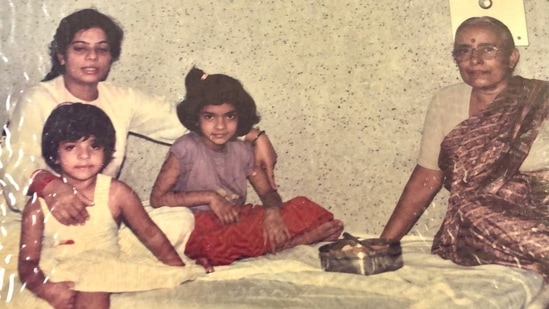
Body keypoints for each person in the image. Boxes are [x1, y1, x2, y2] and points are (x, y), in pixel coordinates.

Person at [0, 8, 277, 255]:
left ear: (111, 57)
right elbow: (15, 168)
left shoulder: (121, 98)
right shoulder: (37, 98)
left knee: (180, 220)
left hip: (98, 218)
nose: (92, 57)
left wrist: (253, 135)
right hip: (40, 215)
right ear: (62, 55)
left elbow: (190, 120)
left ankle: (110, 252)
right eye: (80, 48)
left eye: (102, 49)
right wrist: (51, 188)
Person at [380, 16, 549, 280]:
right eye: (464, 51)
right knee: (470, 205)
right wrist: (385, 242)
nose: (475, 60)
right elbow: (427, 175)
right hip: (477, 227)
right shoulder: (446, 101)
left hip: (540, 219)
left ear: (512, 57)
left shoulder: (541, 99)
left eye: (488, 49)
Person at [150, 67, 344, 270]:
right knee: (215, 245)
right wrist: (209, 197)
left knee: (304, 207)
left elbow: (268, 192)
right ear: (196, 117)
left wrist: (272, 213)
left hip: (237, 217)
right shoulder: (185, 148)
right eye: (210, 117)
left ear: (240, 116)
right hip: (201, 225)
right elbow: (158, 198)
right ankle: (292, 243)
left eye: (229, 116)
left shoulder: (242, 150)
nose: (220, 126)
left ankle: (277, 242)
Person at [18, 103, 201, 309]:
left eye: (94, 146)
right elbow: (27, 262)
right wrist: (46, 289)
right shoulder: (38, 203)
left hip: (102, 267)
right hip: (56, 270)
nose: (84, 155)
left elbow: (150, 234)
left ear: (106, 151)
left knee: (95, 283)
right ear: (54, 155)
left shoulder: (117, 193)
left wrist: (178, 267)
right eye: (71, 147)